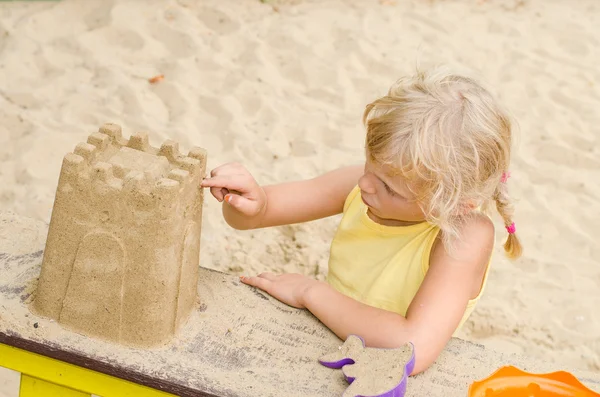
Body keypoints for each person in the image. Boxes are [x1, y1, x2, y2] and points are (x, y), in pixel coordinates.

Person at [200, 67, 523, 374]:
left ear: (453, 205)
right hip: (327, 332)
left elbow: (413, 347)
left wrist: (309, 292)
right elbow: (257, 215)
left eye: (389, 189)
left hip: (381, 368)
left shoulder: (465, 235)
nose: (365, 185)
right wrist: (247, 201)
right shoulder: (369, 181)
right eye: (370, 166)